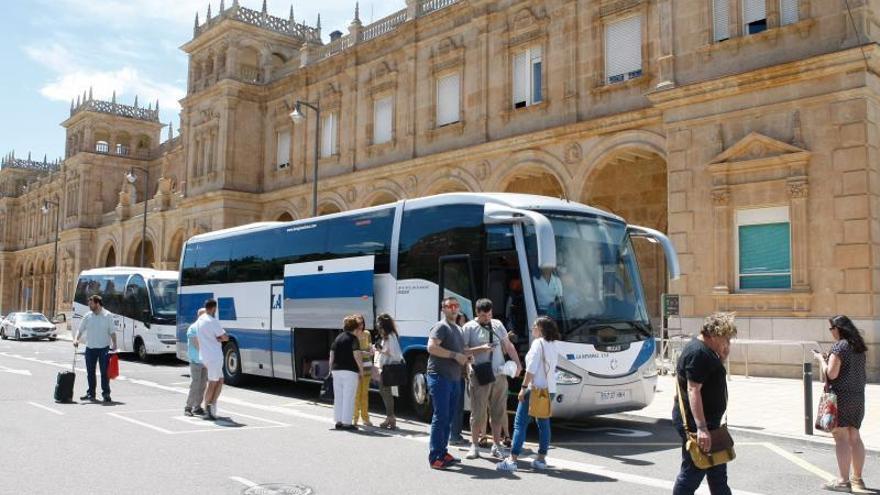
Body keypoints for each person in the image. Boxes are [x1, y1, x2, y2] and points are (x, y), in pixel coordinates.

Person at [671, 312, 737, 495]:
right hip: (699, 424)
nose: (728, 343)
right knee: (692, 473)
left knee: (718, 476)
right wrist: (701, 428)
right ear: (714, 335)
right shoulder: (698, 353)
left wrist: (722, 357)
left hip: (710, 423)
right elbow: (694, 390)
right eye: (726, 339)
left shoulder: (706, 351)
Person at [497, 316, 559, 472]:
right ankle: (541, 459)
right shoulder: (554, 344)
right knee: (544, 425)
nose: (532, 329)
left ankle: (512, 460)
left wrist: (523, 387)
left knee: (520, 423)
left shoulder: (538, 344)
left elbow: (530, 369)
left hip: (534, 389)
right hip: (549, 390)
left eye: (534, 326)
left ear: (541, 329)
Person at [813, 315, 867, 492]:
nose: (831, 333)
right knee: (855, 437)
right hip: (857, 397)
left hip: (841, 397)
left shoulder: (840, 346)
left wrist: (821, 360)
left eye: (831, 329)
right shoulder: (858, 346)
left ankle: (843, 482)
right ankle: (858, 479)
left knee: (841, 438)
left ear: (838, 328)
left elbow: (832, 374)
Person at [463, 298, 522, 460]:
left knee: (498, 411)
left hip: (499, 374)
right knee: (478, 412)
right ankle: (474, 445)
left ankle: (496, 445)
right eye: (483, 316)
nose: (487, 318)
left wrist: (518, 363)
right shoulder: (468, 327)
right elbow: (462, 351)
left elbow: (508, 346)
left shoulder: (497, 324)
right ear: (477, 313)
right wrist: (480, 349)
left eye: (489, 314)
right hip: (480, 374)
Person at [427, 297, 472, 470]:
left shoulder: (458, 329)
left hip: (453, 378)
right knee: (441, 416)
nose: (454, 309)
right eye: (450, 306)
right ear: (443, 309)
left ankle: (443, 452)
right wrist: (455, 355)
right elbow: (431, 347)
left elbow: (462, 351)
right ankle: (435, 457)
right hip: (439, 377)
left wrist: (473, 354)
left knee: (449, 417)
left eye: (456, 306)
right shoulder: (441, 327)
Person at [73, 295, 117, 403]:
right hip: (90, 348)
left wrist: (114, 344)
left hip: (104, 348)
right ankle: (91, 393)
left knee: (104, 372)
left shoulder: (108, 315)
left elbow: (112, 331)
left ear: (97, 304)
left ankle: (106, 394)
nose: (89, 305)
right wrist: (76, 339)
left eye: (91, 303)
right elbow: (80, 329)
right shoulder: (88, 316)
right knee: (90, 372)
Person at [196, 299, 229, 421]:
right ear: (214, 308)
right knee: (213, 382)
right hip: (214, 356)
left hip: (206, 355)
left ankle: (212, 404)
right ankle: (207, 409)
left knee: (220, 380)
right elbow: (225, 337)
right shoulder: (212, 321)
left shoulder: (200, 320)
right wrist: (220, 338)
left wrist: (217, 338)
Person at [330, 315, 363, 431]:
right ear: (355, 328)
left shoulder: (338, 338)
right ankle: (347, 423)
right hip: (350, 371)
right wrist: (361, 370)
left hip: (336, 370)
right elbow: (357, 355)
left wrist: (331, 369)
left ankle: (338, 421)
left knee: (339, 397)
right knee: (349, 397)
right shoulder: (354, 339)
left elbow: (332, 355)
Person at [375, 313, 403, 430]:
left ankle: (390, 417)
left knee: (385, 392)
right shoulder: (389, 335)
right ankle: (390, 417)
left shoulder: (390, 336)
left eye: (378, 322)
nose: (377, 325)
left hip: (388, 367)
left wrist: (380, 350)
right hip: (386, 367)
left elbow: (394, 353)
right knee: (385, 392)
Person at [448, 310, 469, 446]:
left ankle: (453, 434)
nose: (466, 323)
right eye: (464, 320)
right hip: (456, 375)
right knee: (457, 406)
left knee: (452, 405)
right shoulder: (459, 336)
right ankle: (454, 435)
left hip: (451, 374)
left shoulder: (452, 334)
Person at [184, 308, 208, 417]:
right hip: (196, 361)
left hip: (205, 361)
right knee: (195, 384)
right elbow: (196, 345)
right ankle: (188, 407)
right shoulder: (193, 328)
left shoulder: (206, 328)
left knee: (203, 385)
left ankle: (197, 407)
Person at [352, 314, 374, 427]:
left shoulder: (367, 334)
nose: (360, 326)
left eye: (362, 323)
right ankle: (354, 418)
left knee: (365, 394)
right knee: (356, 394)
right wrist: (364, 352)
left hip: (367, 366)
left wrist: (372, 349)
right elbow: (353, 352)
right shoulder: (352, 335)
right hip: (356, 367)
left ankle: (365, 418)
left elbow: (370, 345)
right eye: (358, 323)